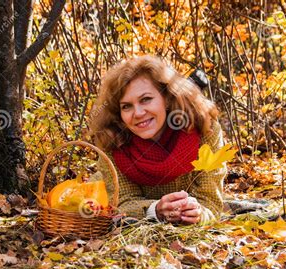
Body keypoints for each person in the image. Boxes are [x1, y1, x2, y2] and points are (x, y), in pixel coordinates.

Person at [89, 55, 226, 225]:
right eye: (126, 106)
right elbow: (122, 202)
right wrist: (156, 210)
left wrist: (199, 214)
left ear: (167, 98)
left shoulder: (205, 129)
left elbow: (211, 202)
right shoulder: (112, 140)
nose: (138, 113)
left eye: (146, 99)